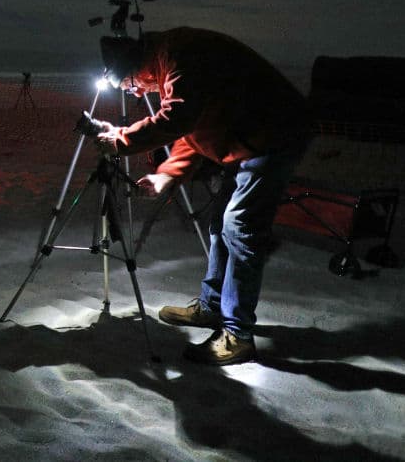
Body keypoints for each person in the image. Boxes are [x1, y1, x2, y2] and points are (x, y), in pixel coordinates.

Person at [91, 27, 311, 365]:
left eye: (131, 87)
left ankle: (238, 335)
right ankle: (212, 307)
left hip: (272, 136)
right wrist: (168, 174)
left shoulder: (179, 56)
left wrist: (121, 140)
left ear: (136, 69)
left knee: (239, 226)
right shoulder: (170, 58)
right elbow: (193, 125)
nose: (135, 94)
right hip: (249, 141)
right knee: (220, 224)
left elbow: (178, 118)